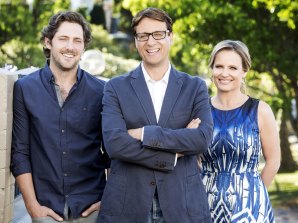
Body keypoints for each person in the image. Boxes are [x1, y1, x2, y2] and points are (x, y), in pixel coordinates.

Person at [98, 7, 213, 223]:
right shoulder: (115, 87)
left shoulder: (195, 87)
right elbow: (114, 144)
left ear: (170, 36)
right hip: (128, 205)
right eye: (143, 35)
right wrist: (172, 154)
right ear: (136, 41)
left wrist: (143, 133)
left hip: (182, 204)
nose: (150, 42)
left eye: (158, 34)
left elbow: (201, 139)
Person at [10, 11, 109, 222]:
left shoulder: (102, 91)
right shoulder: (25, 89)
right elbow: (20, 153)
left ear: (84, 47)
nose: (70, 47)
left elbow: (114, 152)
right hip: (45, 210)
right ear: (48, 42)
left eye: (77, 41)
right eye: (63, 38)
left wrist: (108, 199)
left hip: (92, 210)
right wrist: (32, 206)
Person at [200, 40, 281, 223]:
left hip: (250, 208)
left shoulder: (260, 110)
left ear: (244, 71)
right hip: (205, 204)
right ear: (212, 69)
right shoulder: (199, 111)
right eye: (219, 66)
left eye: (233, 68)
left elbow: (274, 160)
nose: (225, 73)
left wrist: (255, 195)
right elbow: (193, 159)